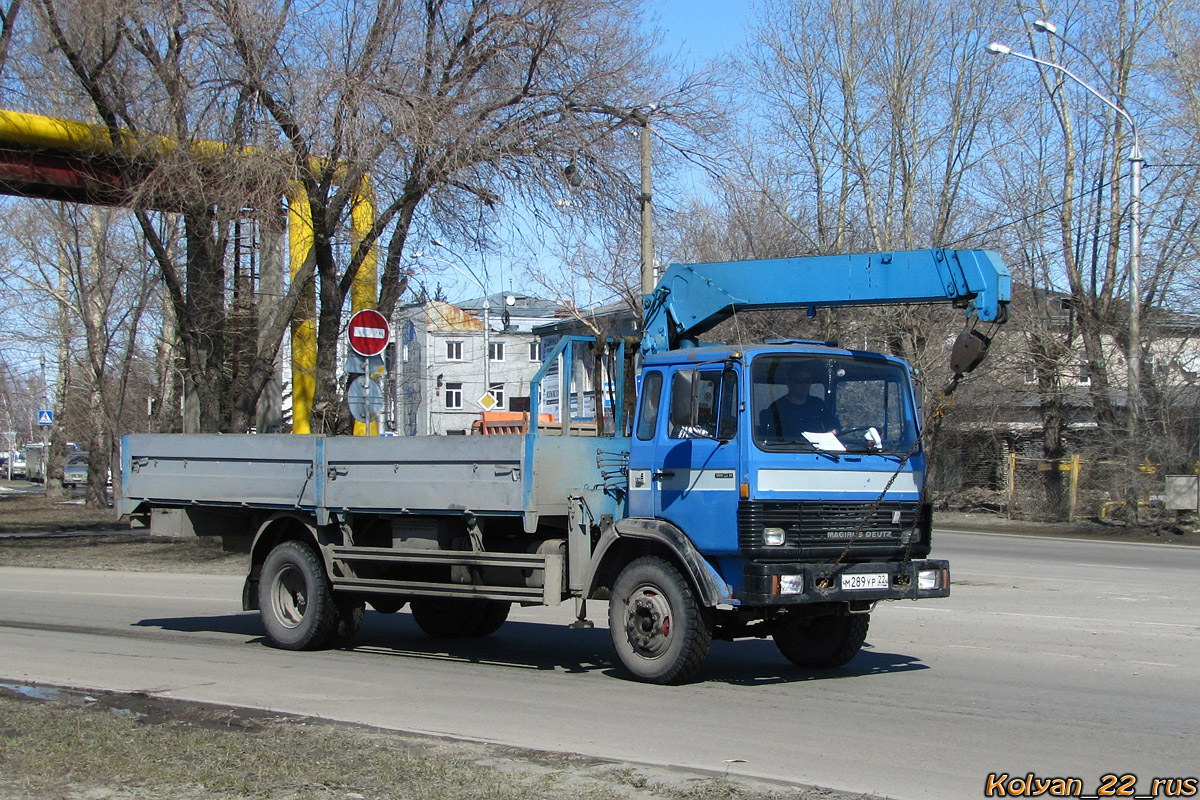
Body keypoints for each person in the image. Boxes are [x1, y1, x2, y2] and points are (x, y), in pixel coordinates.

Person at [759, 362, 838, 440]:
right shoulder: (777, 408)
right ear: (789, 383)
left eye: (808, 381)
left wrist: (833, 431)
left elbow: (834, 425)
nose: (804, 385)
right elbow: (770, 439)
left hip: (818, 450)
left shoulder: (818, 404)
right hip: (786, 450)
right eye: (799, 381)